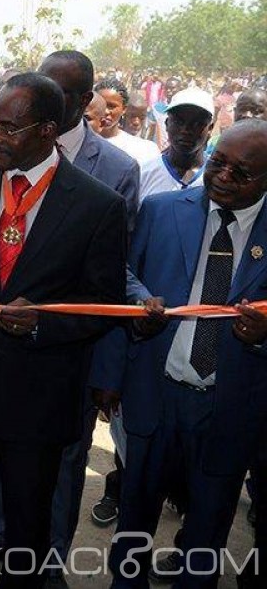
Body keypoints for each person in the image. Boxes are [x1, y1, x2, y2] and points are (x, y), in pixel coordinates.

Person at [0, 72, 127, 589]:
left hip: (39, 396)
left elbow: (104, 303)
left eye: (9, 129)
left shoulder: (98, 205)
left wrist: (44, 321)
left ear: (47, 131)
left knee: (28, 524)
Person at [104, 119, 267, 588]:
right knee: (134, 519)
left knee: (208, 528)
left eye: (242, 173)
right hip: (157, 393)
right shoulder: (161, 209)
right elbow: (122, 274)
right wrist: (140, 302)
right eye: (218, 163)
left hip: (230, 404)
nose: (222, 177)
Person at [138, 87, 215, 199]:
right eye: (178, 121)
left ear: (210, 129)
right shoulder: (144, 173)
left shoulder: (217, 179)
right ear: (167, 124)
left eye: (197, 123)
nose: (185, 130)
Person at [94, 78, 160, 163]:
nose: (106, 111)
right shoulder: (79, 140)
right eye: (101, 104)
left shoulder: (145, 150)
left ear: (124, 109)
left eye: (112, 106)